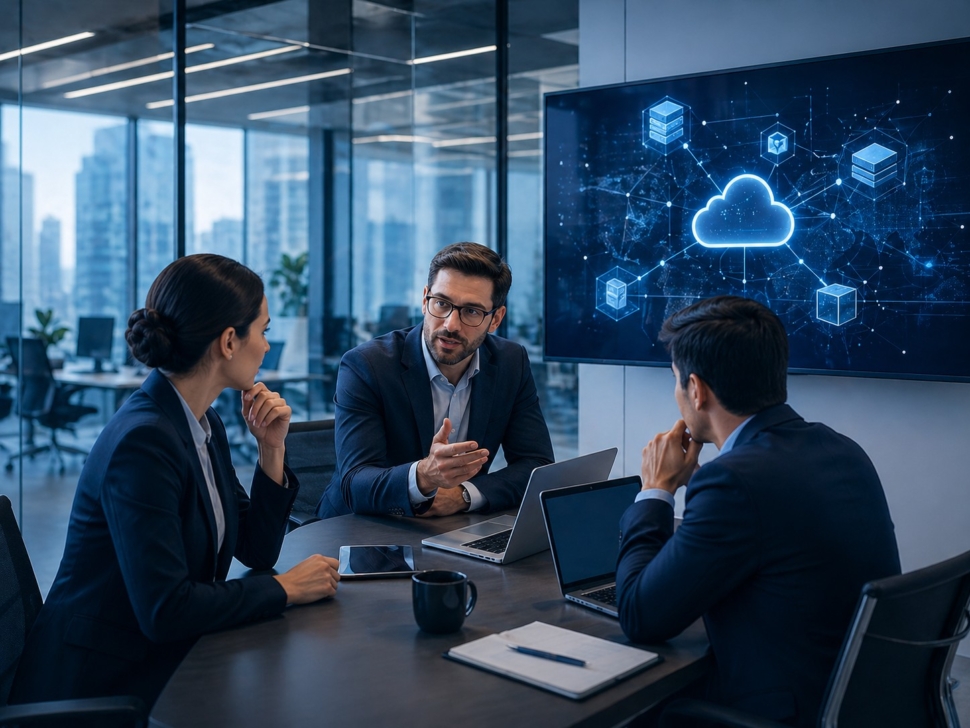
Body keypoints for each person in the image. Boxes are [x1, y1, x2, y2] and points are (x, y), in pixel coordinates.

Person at [10, 254, 340, 710]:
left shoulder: (204, 424)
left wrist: (271, 449)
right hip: (102, 684)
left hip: (164, 660)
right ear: (229, 341)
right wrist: (286, 588)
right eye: (263, 331)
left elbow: (257, 550)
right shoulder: (143, 442)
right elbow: (166, 610)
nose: (266, 346)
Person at [615, 296, 900, 727]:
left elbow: (640, 616)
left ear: (697, 389)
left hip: (784, 708)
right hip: (862, 700)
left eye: (675, 381)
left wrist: (656, 491)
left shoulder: (733, 482)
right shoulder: (840, 448)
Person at [316, 242, 554, 519]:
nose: (451, 325)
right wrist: (423, 477)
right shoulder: (367, 365)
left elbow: (537, 465)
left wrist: (464, 495)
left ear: (496, 319)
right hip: (356, 532)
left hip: (451, 528)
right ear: (425, 299)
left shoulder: (510, 362)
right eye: (441, 303)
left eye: (472, 311)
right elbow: (354, 483)